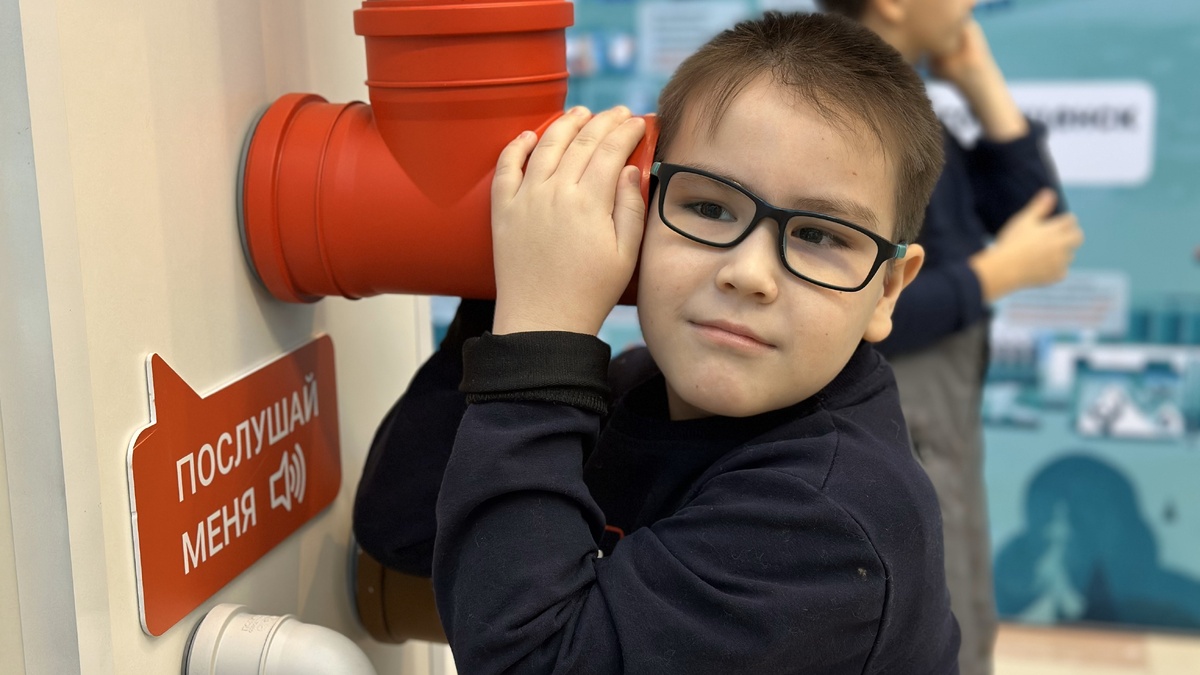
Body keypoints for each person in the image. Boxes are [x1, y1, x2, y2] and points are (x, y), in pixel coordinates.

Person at [354, 11, 960, 674]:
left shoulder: (829, 515)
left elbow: (532, 661)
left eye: (820, 236)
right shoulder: (636, 393)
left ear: (888, 289)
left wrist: (542, 333)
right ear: (641, 209)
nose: (749, 273)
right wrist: (515, 289)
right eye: (708, 207)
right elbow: (404, 526)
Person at [814, 2, 1085, 674]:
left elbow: (1043, 219)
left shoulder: (904, 103)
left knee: (959, 587)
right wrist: (992, 275)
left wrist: (981, 80)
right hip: (901, 406)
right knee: (937, 603)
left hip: (940, 408)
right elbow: (835, 302)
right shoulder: (850, 110)